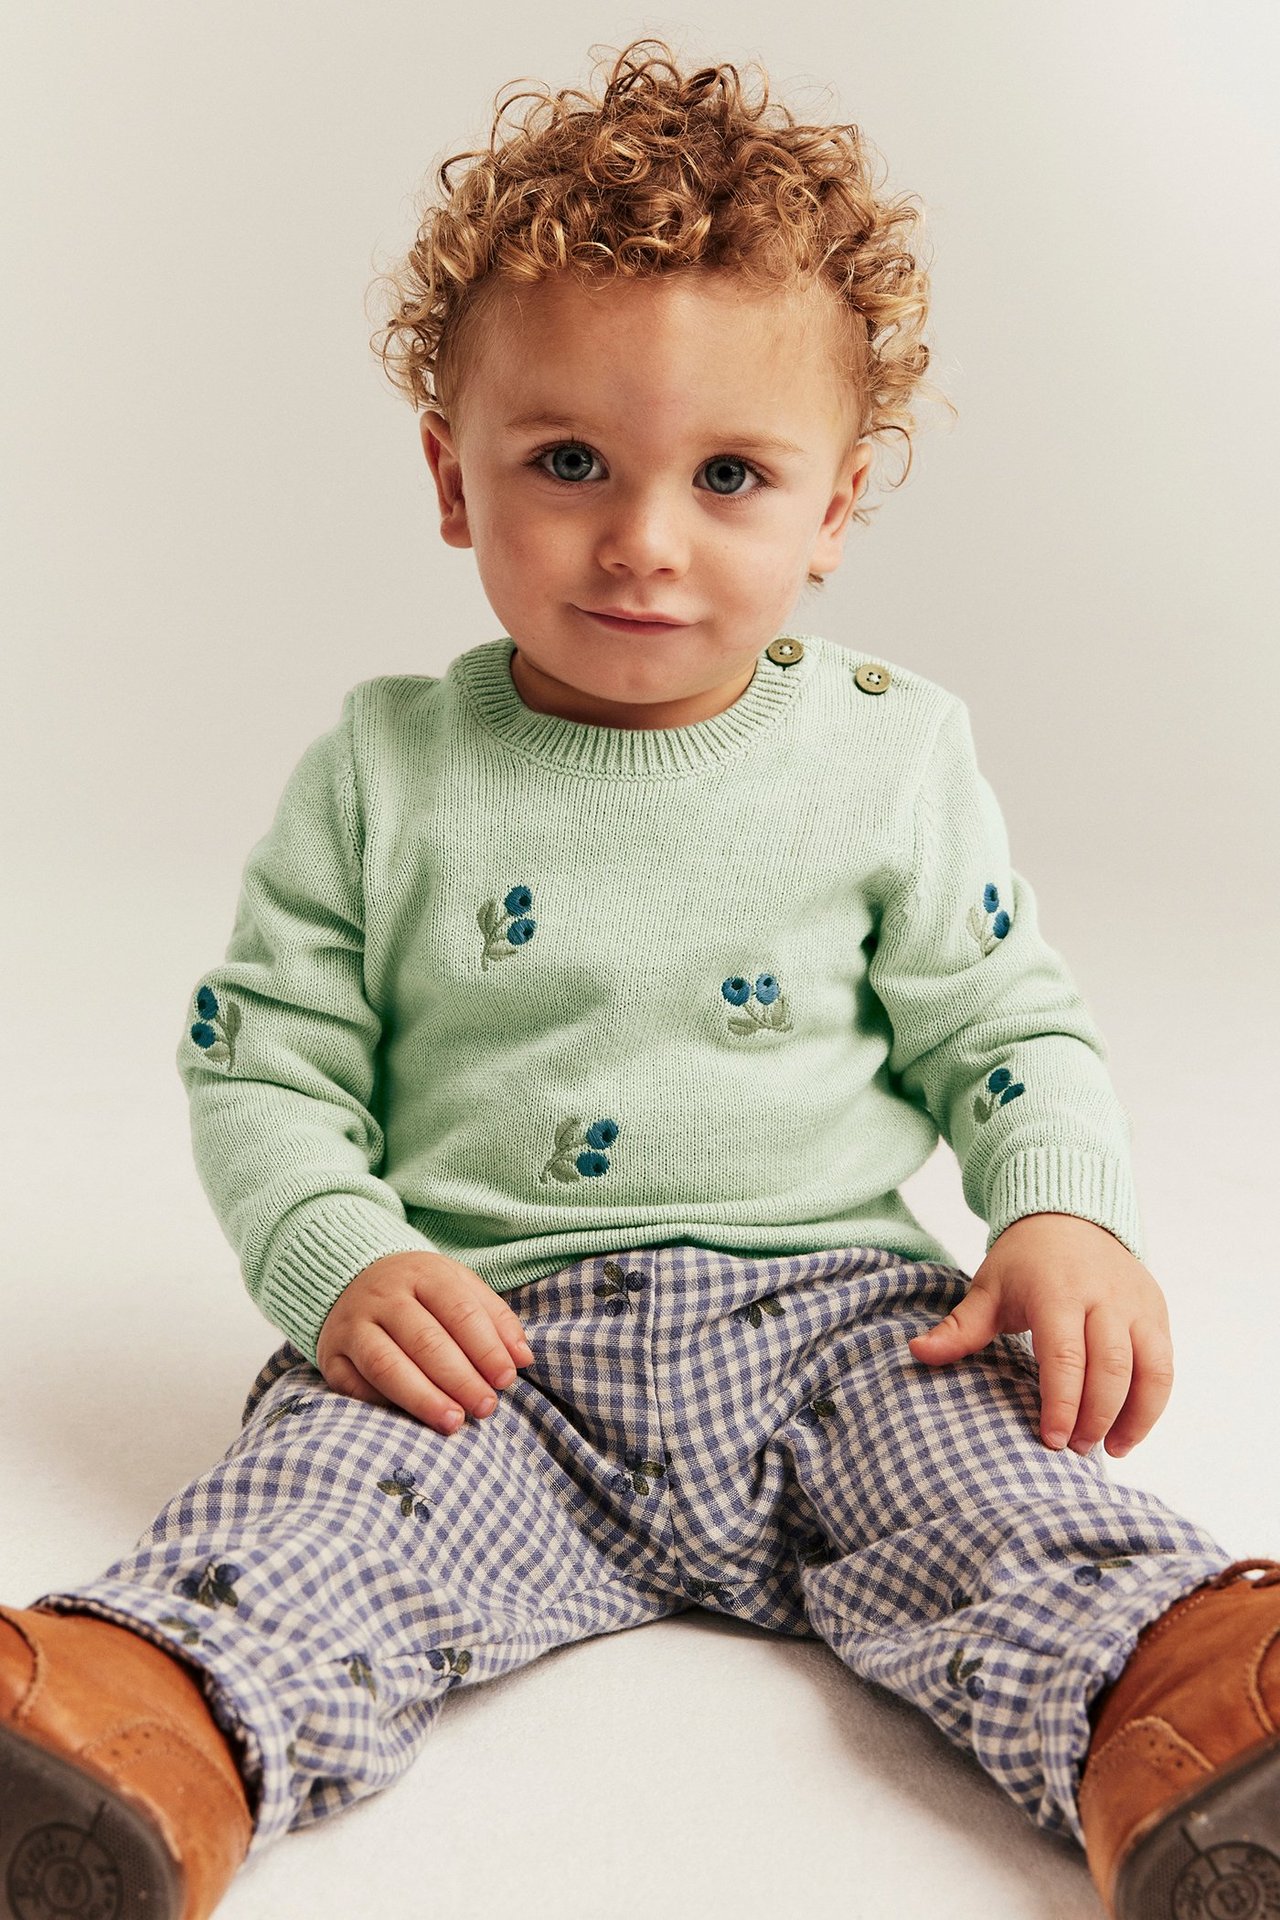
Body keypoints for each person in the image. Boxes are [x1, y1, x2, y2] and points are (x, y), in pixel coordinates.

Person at [3, 38, 1277, 1920]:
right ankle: (122, 1742)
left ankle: (1201, 1733)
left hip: (845, 1327)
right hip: (490, 1346)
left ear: (834, 511)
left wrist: (1063, 1214)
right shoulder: (384, 771)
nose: (643, 539)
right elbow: (264, 1064)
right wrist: (343, 1256)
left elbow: (1002, 1024)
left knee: (1017, 1508)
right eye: (569, 461)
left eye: (733, 475)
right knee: (307, 1523)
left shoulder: (891, 755)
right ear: (455, 479)